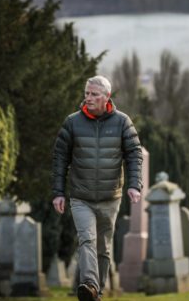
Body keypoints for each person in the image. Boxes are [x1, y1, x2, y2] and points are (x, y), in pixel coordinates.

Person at [52, 75, 143, 301]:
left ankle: (96, 293)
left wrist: (134, 185)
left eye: (94, 94)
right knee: (86, 239)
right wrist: (58, 192)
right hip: (80, 197)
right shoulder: (72, 122)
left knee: (103, 248)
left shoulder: (122, 122)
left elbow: (134, 154)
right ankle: (89, 283)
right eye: (87, 93)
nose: (88, 98)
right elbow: (60, 158)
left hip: (110, 197)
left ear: (106, 97)